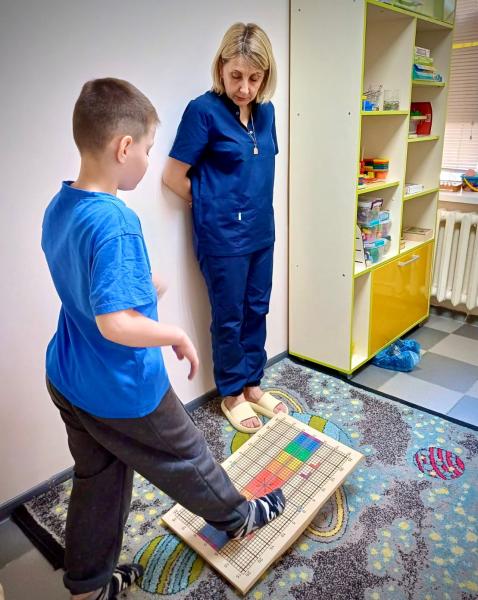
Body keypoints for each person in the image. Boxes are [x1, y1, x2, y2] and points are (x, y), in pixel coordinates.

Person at [41, 78, 285, 600]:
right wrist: (173, 333)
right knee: (188, 456)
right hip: (120, 386)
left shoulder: (62, 205)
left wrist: (141, 286)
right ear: (123, 148)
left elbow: (83, 279)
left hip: (67, 375)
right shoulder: (116, 222)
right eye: (148, 149)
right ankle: (239, 517)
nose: (150, 160)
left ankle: (88, 585)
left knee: (98, 477)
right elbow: (114, 323)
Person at [163, 23, 288, 434]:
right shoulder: (203, 111)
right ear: (220, 67)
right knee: (230, 317)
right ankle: (232, 393)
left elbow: (258, 167)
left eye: (254, 78)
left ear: (265, 76)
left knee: (257, 309)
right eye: (236, 76)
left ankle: (253, 385)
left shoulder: (267, 113)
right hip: (223, 238)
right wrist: (210, 206)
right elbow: (173, 176)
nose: (244, 88)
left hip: (261, 231)